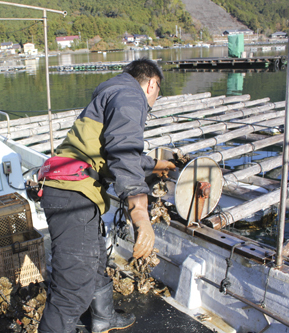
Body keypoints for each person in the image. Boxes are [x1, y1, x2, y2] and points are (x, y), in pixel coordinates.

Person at [37, 58, 176, 333]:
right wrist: (139, 212)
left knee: (96, 261)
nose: (154, 102)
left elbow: (114, 150)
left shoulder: (113, 91)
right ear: (152, 84)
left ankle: (103, 319)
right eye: (157, 95)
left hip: (72, 190)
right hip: (72, 196)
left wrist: (157, 164)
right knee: (71, 293)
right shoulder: (131, 95)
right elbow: (124, 151)